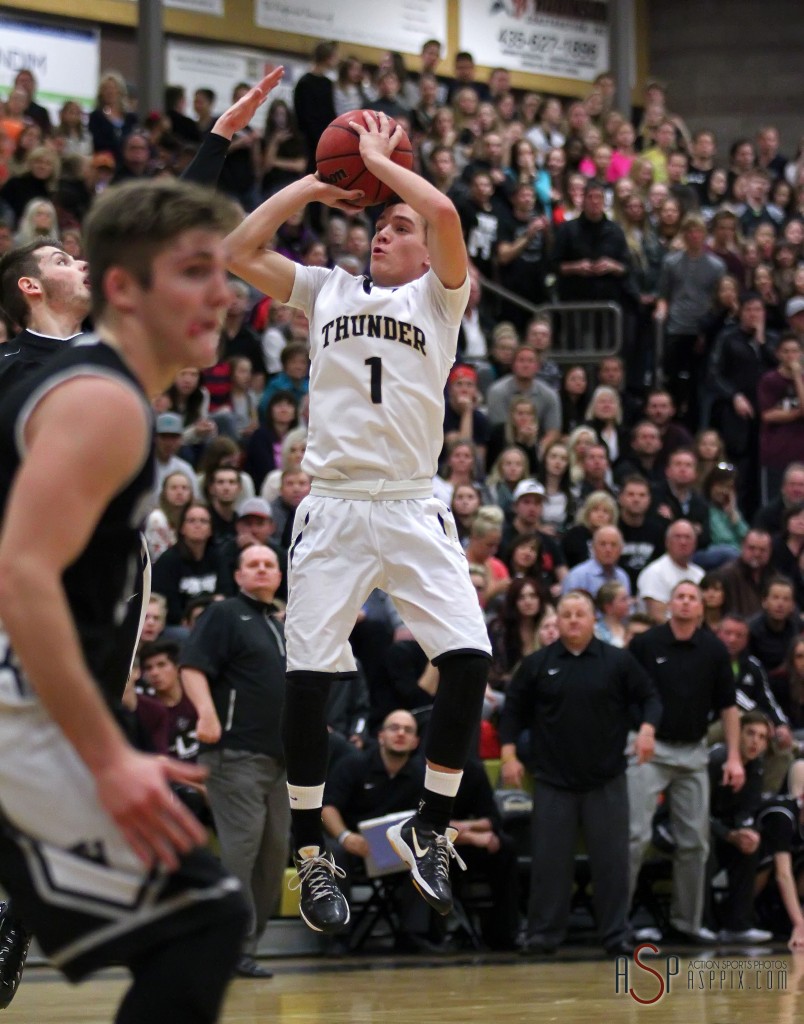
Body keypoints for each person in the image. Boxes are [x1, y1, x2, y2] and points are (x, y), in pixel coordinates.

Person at [224, 109, 492, 934]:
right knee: (309, 679)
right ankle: (312, 859)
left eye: (396, 225)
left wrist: (380, 160)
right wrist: (321, 181)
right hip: (335, 503)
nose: (384, 231)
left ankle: (430, 827)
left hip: (414, 501)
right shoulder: (325, 289)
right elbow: (237, 251)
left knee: (470, 661)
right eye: (378, 222)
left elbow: (443, 215)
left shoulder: (442, 299)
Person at [0, 178, 250, 1021]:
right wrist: (106, 756)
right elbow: (20, 573)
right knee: (202, 921)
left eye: (222, 271)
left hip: (33, 707)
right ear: (122, 289)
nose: (222, 291)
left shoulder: (104, 392)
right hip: (15, 711)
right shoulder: (97, 399)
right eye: (193, 272)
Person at [500, 590, 661, 955]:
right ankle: (543, 935)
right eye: (566, 614)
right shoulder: (538, 663)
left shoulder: (618, 662)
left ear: (593, 621)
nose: (573, 620)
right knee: (549, 863)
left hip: (606, 778)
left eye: (580, 614)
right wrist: (509, 755)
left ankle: (616, 934)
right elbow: (512, 712)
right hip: (553, 779)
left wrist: (648, 730)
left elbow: (650, 697)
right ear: (557, 621)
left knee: (612, 864)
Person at [181, 544, 289, 979]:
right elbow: (191, 666)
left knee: (273, 857)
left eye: (269, 564)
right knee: (241, 855)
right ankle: (226, 949)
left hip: (281, 761)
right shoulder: (225, 615)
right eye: (253, 565)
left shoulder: (277, 624)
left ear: (279, 575)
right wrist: (206, 713)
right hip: (235, 755)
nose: (262, 570)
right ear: (239, 575)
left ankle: (247, 946)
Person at [627, 580, 744, 944]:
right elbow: (624, 693)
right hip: (650, 748)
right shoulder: (645, 644)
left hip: (693, 750)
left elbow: (728, 707)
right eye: (680, 596)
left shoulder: (714, 649)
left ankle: (686, 923)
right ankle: (616, 922)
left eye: (693, 598)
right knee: (634, 836)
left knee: (695, 841)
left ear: (701, 606)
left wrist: (735, 757)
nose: (686, 603)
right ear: (670, 603)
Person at [705, 711, 774, 942]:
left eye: (763, 737)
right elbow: (695, 815)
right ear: (736, 734)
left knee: (751, 846)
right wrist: (728, 834)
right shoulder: (715, 761)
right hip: (689, 827)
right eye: (751, 734)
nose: (756, 741)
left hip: (723, 831)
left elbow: (747, 810)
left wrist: (746, 831)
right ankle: (704, 924)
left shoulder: (756, 766)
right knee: (704, 846)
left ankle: (737, 925)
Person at [636, 519, 704, 623]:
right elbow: (657, 617)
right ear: (667, 542)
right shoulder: (655, 572)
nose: (683, 542)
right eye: (678, 537)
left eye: (687, 537)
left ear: (695, 543)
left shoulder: (700, 574)